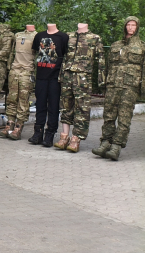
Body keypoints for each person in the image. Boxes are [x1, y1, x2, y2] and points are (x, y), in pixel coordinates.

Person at [93, 16, 144, 161]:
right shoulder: (116, 45)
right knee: (108, 115)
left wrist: (142, 88)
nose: (130, 28)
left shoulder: (142, 46)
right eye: (128, 25)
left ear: (137, 27)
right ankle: (105, 143)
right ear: (125, 26)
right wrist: (104, 83)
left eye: (133, 25)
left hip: (130, 87)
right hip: (113, 85)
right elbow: (108, 66)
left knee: (124, 118)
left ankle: (116, 146)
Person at [54, 23, 104, 152]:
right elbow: (63, 56)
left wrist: (101, 79)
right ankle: (64, 137)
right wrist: (60, 75)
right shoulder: (68, 36)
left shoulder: (95, 38)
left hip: (83, 77)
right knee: (65, 106)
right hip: (67, 75)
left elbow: (101, 59)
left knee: (82, 108)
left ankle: (76, 138)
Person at [29, 23, 69, 147]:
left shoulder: (63, 37)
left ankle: (50, 134)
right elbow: (36, 52)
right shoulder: (39, 36)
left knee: (53, 107)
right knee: (40, 105)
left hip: (55, 78)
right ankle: (38, 133)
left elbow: (66, 55)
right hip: (41, 76)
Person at [0, 24, 36, 140]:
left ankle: (18, 127)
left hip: (27, 71)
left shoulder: (37, 36)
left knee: (23, 100)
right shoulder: (18, 35)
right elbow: (12, 53)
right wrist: (9, 68)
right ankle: (9, 124)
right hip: (14, 70)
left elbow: (38, 56)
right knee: (11, 99)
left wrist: (34, 72)